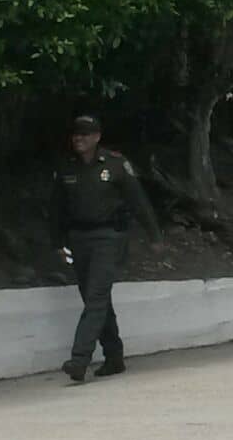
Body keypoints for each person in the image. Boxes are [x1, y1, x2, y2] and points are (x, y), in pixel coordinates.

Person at [51, 115, 163, 382]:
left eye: (85, 134)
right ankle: (114, 357)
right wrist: (57, 242)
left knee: (96, 296)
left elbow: (138, 201)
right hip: (78, 239)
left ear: (97, 137)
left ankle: (79, 360)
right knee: (95, 299)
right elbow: (55, 210)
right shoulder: (66, 169)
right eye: (76, 134)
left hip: (109, 237)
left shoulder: (115, 164)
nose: (79, 139)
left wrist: (155, 234)